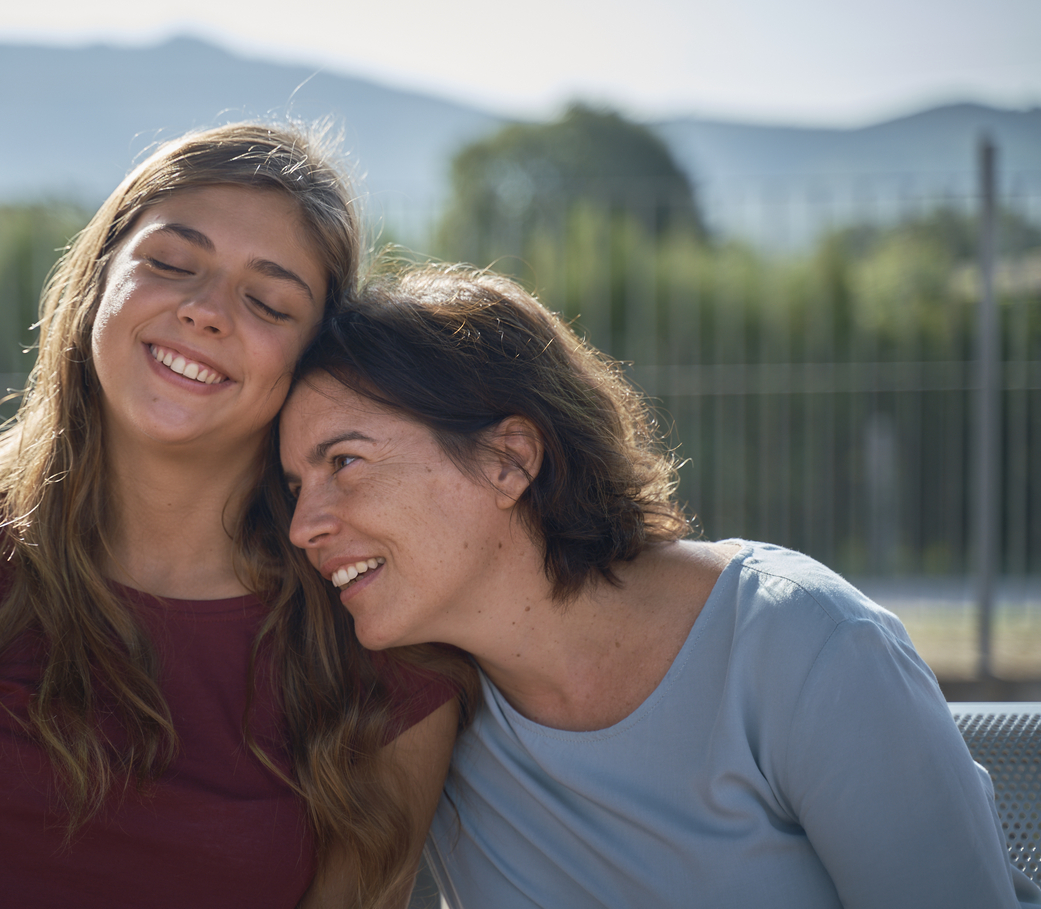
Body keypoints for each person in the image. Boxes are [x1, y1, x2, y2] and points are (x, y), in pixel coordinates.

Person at [0, 126, 471, 909]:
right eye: (172, 264)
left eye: (268, 301)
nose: (206, 311)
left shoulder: (376, 635)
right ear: (98, 279)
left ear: (308, 363)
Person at [276, 264, 1041, 908]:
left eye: (344, 463)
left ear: (508, 459)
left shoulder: (806, 646)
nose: (304, 525)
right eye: (295, 483)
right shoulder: (428, 708)